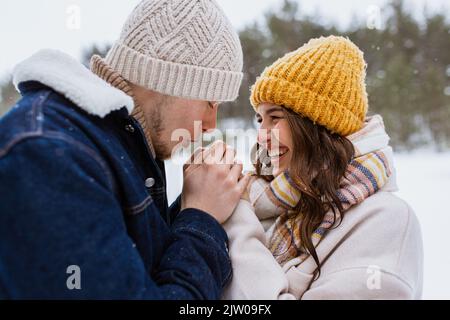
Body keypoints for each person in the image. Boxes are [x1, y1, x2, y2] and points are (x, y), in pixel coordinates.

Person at [0, 0, 249, 299]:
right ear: (165, 79)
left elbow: (137, 265)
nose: (211, 123)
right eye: (210, 101)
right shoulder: (48, 155)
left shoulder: (119, 141)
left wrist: (195, 204)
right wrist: (201, 218)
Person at [223, 36, 424, 299]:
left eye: (275, 117)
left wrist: (238, 224)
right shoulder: (279, 204)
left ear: (317, 125)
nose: (261, 136)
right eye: (260, 119)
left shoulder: (386, 222)